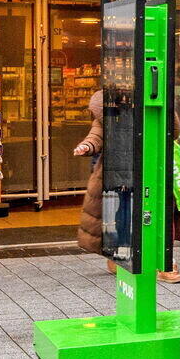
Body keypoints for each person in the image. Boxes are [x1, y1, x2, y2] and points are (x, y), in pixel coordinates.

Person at [73, 89, 113, 274]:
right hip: (117, 173)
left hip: (150, 168)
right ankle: (117, 256)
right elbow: (95, 137)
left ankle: (164, 261)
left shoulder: (154, 104)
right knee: (118, 215)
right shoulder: (109, 109)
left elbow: (174, 130)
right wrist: (86, 146)